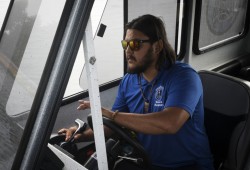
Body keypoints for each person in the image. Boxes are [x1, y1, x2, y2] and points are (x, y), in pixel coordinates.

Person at [58, 14, 214, 170]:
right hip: (147, 162)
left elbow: (170, 123)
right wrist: (80, 135)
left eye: (135, 44)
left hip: (189, 165)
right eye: (126, 44)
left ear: (157, 46)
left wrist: (109, 114)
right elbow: (113, 126)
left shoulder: (184, 77)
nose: (128, 50)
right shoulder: (129, 81)